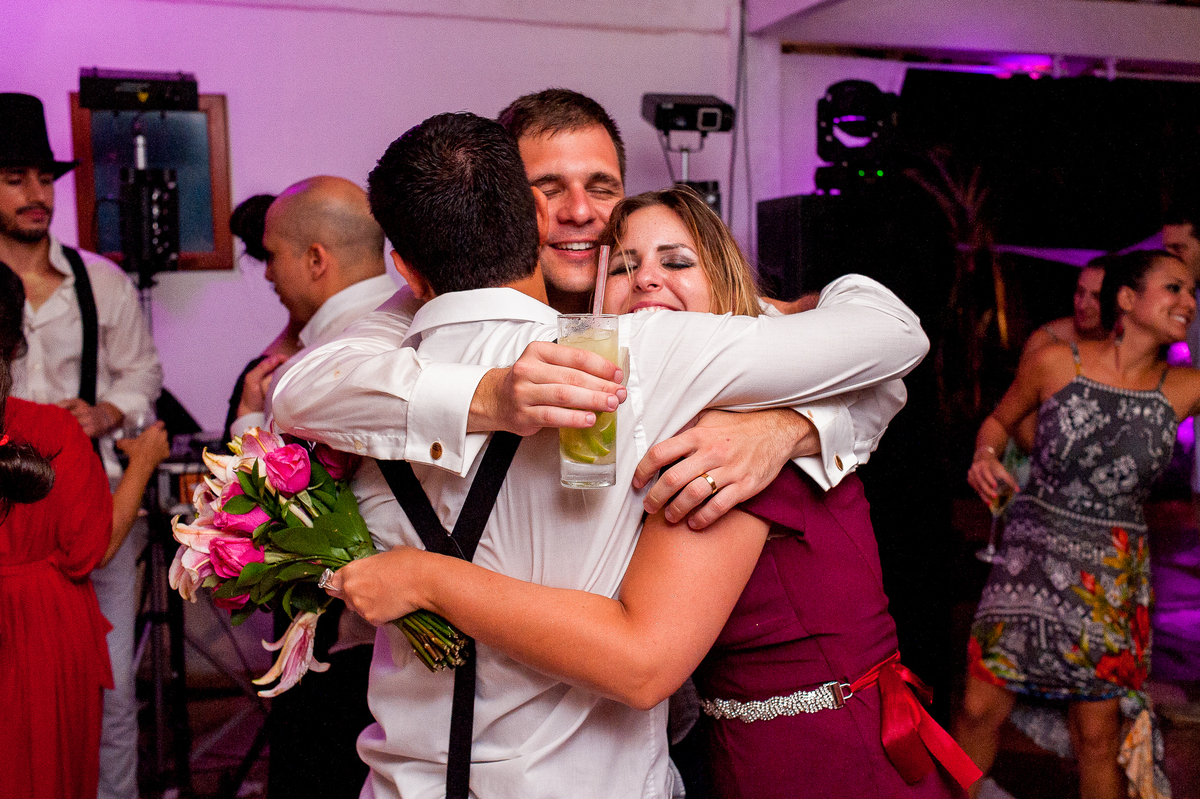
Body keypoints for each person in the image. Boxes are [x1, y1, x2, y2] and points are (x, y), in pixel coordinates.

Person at [273, 111, 928, 798]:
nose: (580, 211)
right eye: (553, 188)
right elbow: (303, 383)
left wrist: (787, 423)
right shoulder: (630, 353)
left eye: (601, 186)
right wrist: (489, 395)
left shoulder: (668, 346)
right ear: (529, 217)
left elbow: (879, 350)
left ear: (403, 263)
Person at [958, 249, 1198, 799]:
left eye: (1192, 292)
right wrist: (985, 455)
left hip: (1109, 577)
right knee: (977, 709)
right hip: (1030, 556)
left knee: (1095, 733)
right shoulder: (1055, 362)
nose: (1188, 302)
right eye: (1174, 289)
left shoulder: (1185, 387)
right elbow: (998, 420)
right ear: (1129, 299)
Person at [0, 92, 163, 799]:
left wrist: (104, 413)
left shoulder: (101, 280)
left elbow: (145, 377)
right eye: (15, 179)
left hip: (96, 506)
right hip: (8, 526)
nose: (38, 196)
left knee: (113, 685)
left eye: (46, 179)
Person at [226, 177, 394, 799]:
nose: (267, 273)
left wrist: (248, 420)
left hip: (345, 635)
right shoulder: (399, 318)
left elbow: (283, 509)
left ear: (316, 259)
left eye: (272, 255)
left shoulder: (321, 362)